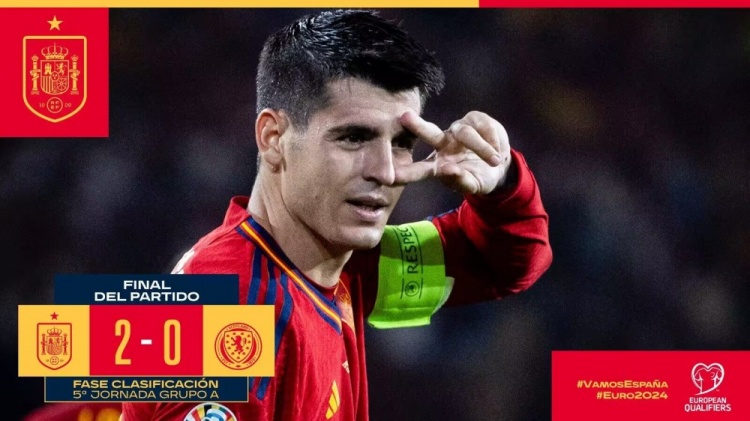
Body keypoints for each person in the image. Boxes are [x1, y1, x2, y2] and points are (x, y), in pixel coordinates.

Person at [119, 8, 548, 421]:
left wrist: (501, 182)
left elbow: (499, 265)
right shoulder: (233, 304)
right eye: (354, 138)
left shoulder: (343, 269)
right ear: (273, 138)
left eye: (401, 143)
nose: (385, 172)